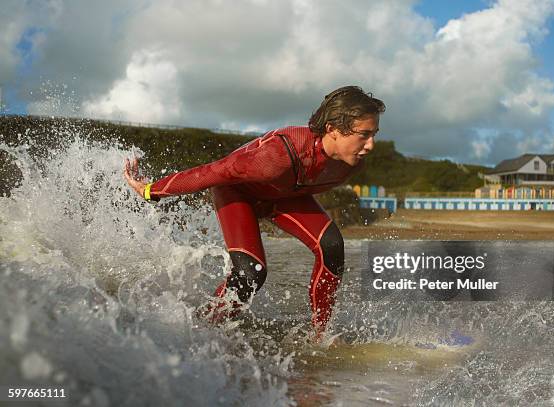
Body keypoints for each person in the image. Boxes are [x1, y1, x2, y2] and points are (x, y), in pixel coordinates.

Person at [124, 86, 385, 338]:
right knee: (251, 273)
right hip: (239, 193)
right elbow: (213, 172)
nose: (371, 145)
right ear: (333, 129)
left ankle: (321, 334)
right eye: (364, 134)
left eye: (374, 134)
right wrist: (150, 190)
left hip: (284, 196)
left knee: (331, 247)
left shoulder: (349, 164)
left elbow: (301, 184)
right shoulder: (278, 155)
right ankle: (201, 328)